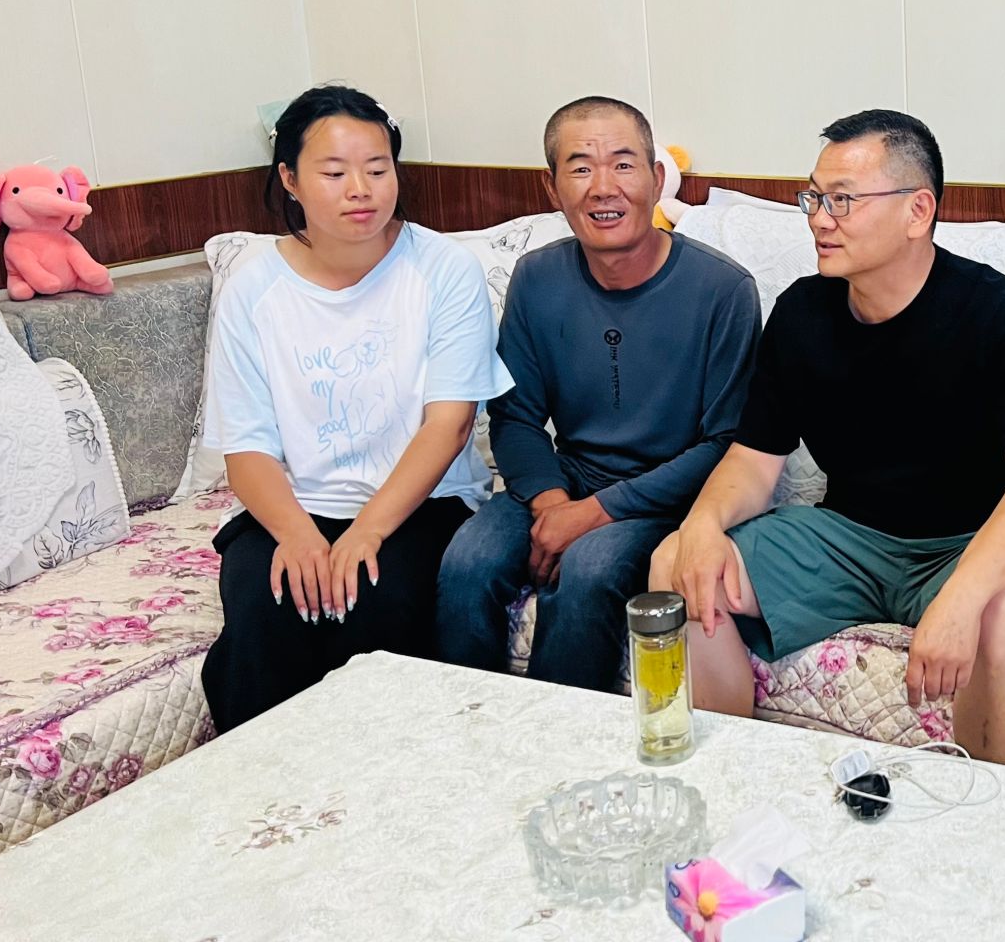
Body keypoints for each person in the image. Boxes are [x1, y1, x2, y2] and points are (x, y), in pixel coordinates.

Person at [648, 109, 1005, 767]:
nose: (820, 219)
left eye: (842, 200)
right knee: (678, 561)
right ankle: (730, 779)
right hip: (849, 538)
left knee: (1002, 602)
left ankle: (989, 813)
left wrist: (960, 599)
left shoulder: (996, 313)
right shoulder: (801, 313)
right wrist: (701, 525)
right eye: (814, 198)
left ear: (917, 210)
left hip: (976, 538)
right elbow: (754, 461)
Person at [200, 85, 512, 733]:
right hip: (295, 507)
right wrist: (296, 534)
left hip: (421, 506)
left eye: (376, 169)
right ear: (289, 179)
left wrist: (367, 531)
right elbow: (246, 446)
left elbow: (449, 424)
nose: (360, 190)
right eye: (335, 173)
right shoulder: (253, 290)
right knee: (262, 610)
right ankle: (263, 785)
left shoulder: (444, 270)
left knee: (374, 607)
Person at [434, 98, 760, 691]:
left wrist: (591, 517)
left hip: (668, 497)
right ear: (552, 186)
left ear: (656, 179)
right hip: (571, 476)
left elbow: (726, 444)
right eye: (581, 167)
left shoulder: (723, 289)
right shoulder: (537, 277)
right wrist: (553, 505)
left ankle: (564, 740)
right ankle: (469, 733)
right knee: (467, 561)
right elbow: (516, 417)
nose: (603, 187)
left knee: (590, 567)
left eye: (623, 165)